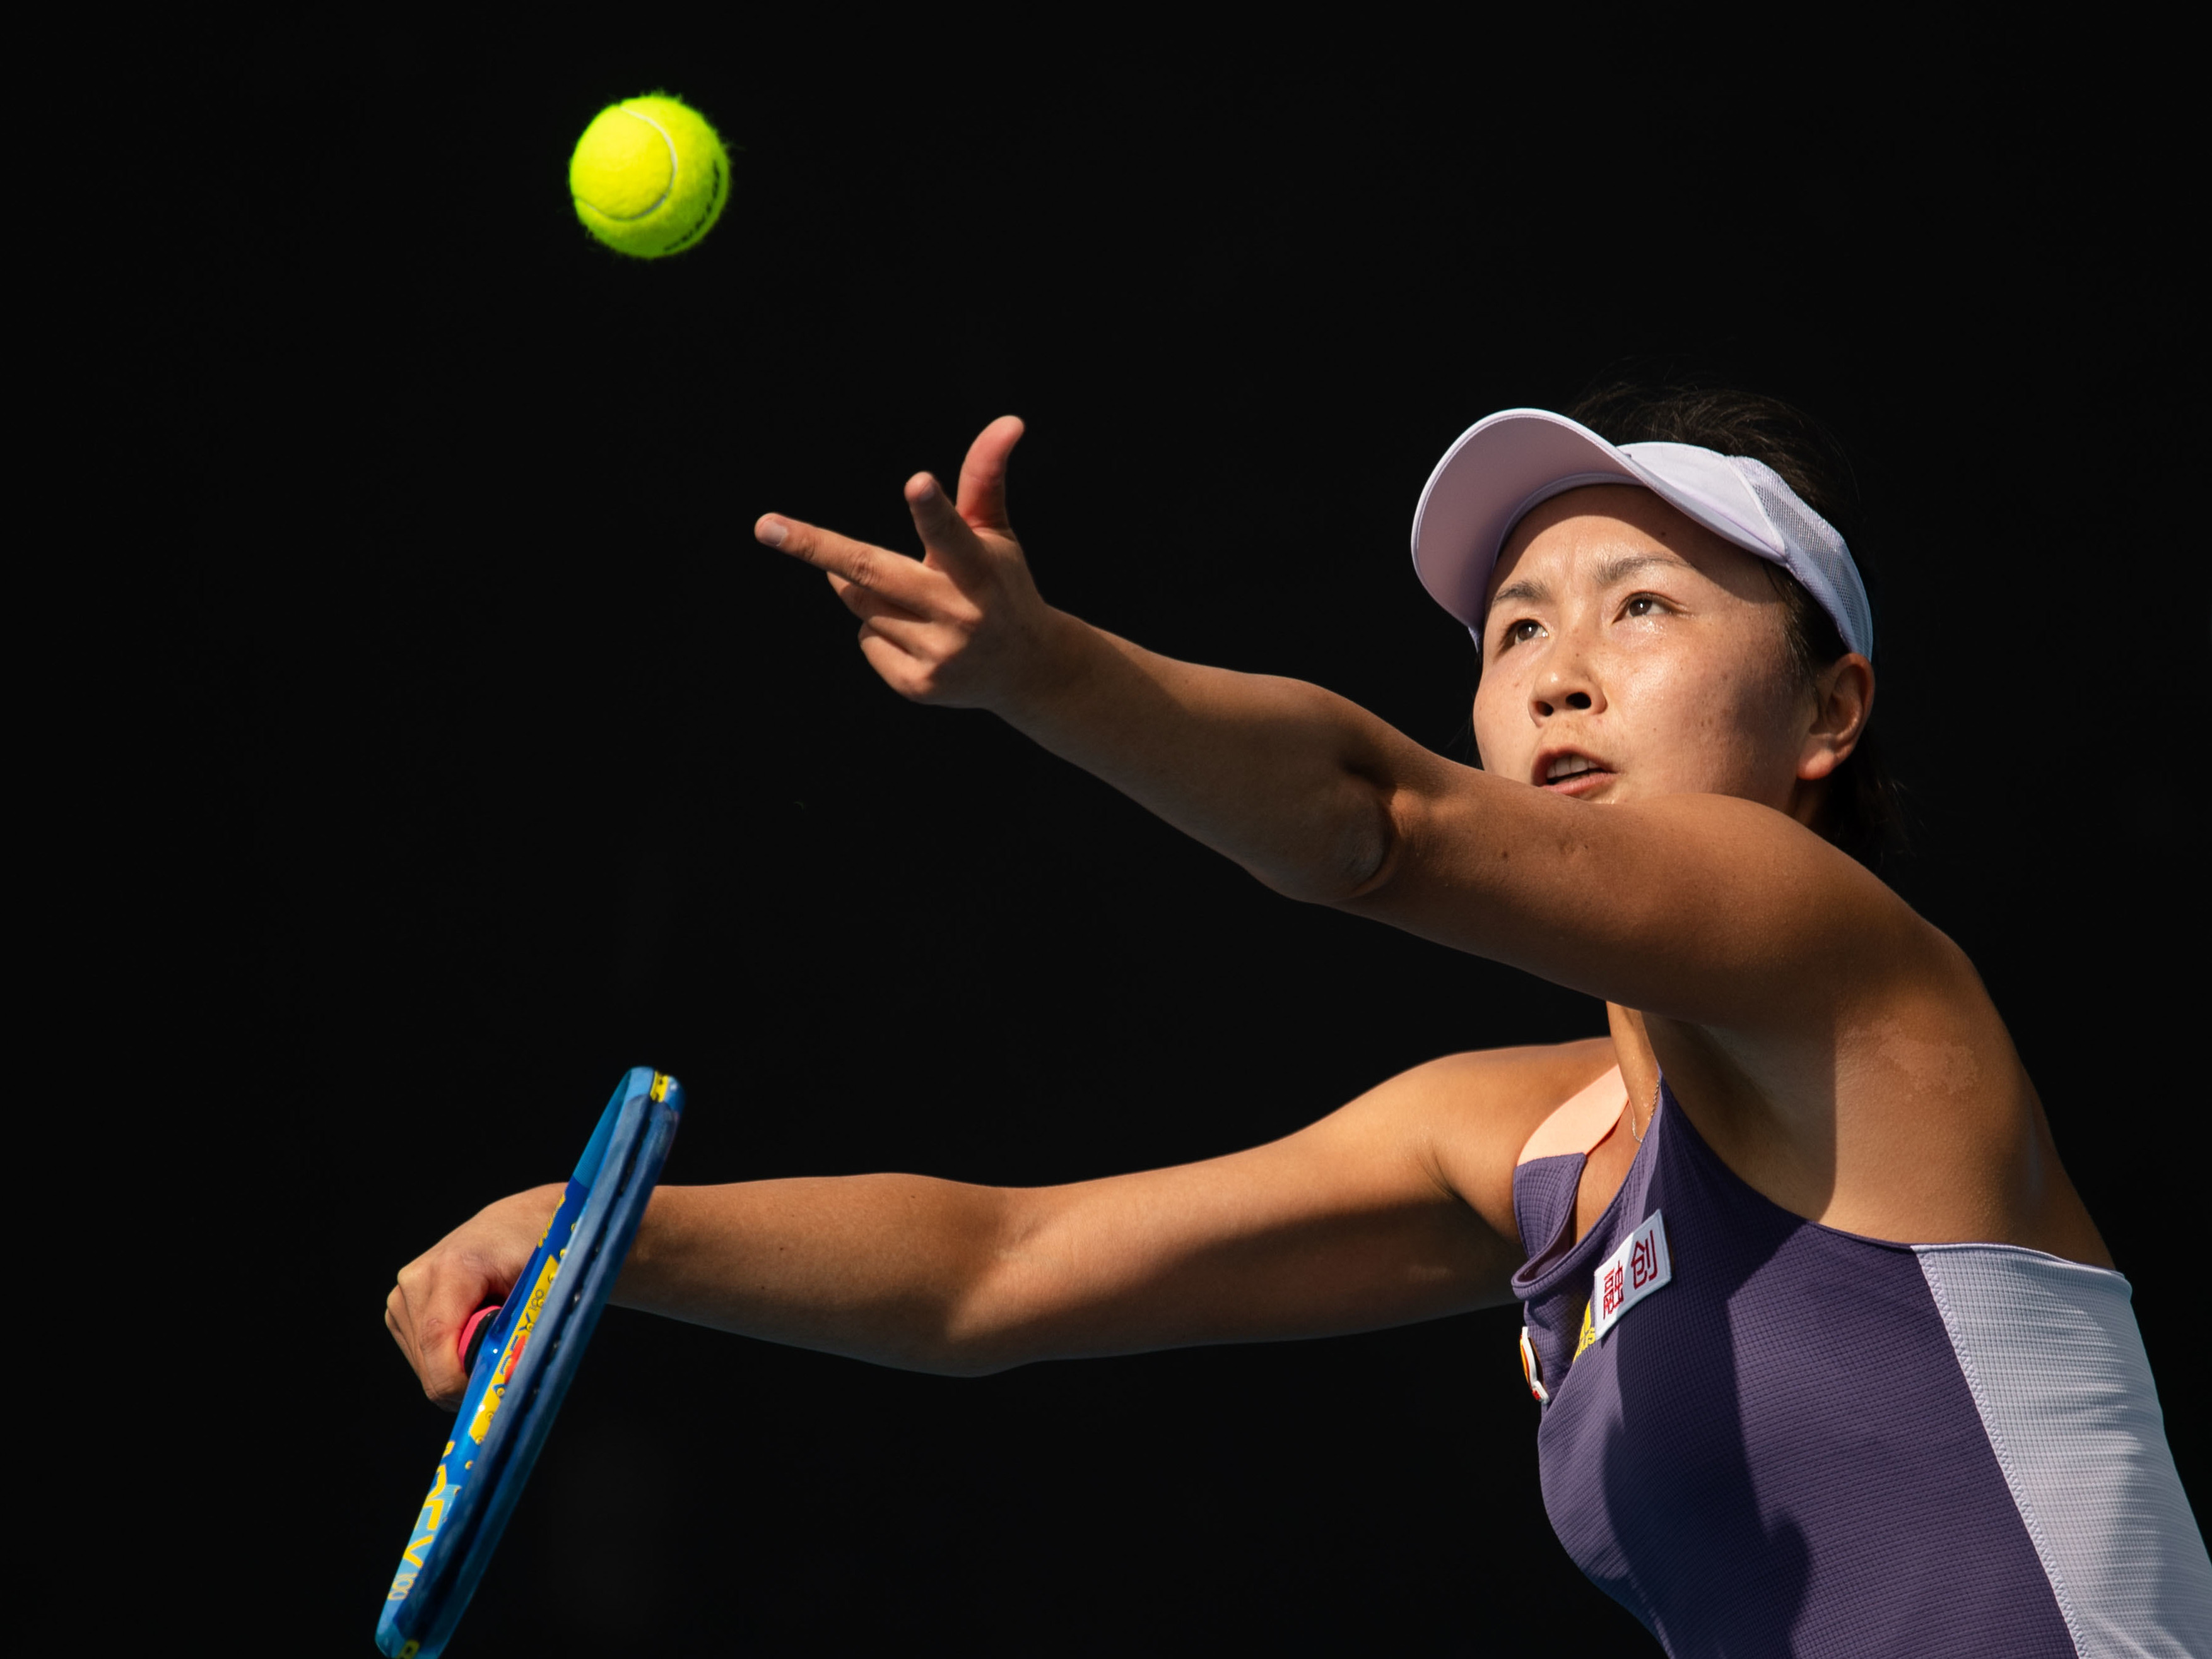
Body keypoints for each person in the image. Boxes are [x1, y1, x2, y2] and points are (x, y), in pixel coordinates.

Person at [386, 388, 2210, 1655]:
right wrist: (594, 1237)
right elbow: (994, 1274)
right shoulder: (1530, 1151)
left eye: (1639, 607)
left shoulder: (1852, 970)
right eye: (1511, 632)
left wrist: (1048, 672)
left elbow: (1373, 824)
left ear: (1829, 710)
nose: (1558, 668)